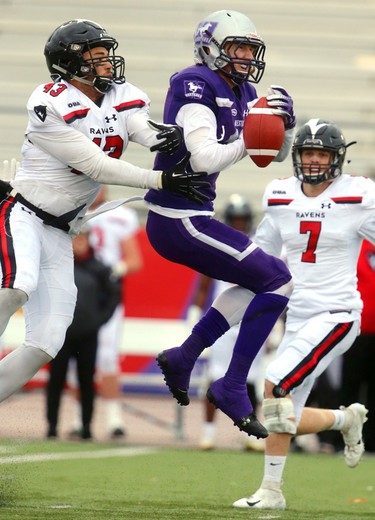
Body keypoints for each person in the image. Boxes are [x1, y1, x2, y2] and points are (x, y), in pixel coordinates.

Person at [0, 19, 208, 411]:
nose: (108, 62)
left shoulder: (122, 95)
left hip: (62, 232)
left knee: (46, 342)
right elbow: (97, 166)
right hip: (24, 214)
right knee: (15, 287)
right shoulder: (48, 101)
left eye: (105, 54)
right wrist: (158, 179)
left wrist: (179, 136)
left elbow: (142, 129)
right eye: (96, 56)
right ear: (69, 64)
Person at [144, 9, 295, 438]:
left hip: (193, 217)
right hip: (176, 219)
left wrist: (282, 130)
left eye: (250, 48)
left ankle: (185, 356)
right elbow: (204, 157)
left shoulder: (243, 89)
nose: (246, 57)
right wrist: (253, 133)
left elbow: (271, 156)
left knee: (262, 283)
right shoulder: (194, 83)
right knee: (278, 280)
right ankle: (230, 386)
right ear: (211, 48)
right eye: (237, 48)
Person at [232, 118, 372, 511]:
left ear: (337, 158)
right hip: (299, 316)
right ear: (296, 155)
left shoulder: (359, 195)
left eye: (321, 153)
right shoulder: (279, 195)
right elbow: (260, 256)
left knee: (274, 382)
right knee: (281, 415)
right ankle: (276, 486)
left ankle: (341, 424)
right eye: (307, 152)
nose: (313, 160)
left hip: (339, 313)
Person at [190, 194, 265, 450]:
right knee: (215, 375)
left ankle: (247, 432)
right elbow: (204, 283)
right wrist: (196, 313)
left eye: (242, 220)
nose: (239, 225)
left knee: (251, 379)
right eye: (235, 219)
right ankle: (208, 432)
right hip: (222, 321)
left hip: (252, 321)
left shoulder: (259, 246)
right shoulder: (216, 244)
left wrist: (274, 321)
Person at [69, 186, 143, 439]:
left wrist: (110, 271)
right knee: (75, 358)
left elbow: (134, 260)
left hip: (102, 296)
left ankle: (113, 420)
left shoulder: (119, 215)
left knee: (108, 358)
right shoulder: (68, 208)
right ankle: (80, 418)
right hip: (74, 292)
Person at [46, 228, 120, 440]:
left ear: (89, 241)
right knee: (56, 380)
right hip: (61, 334)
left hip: (88, 335)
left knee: (86, 380)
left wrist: (99, 320)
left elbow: (114, 296)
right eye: (76, 238)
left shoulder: (100, 269)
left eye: (83, 238)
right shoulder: (58, 267)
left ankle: (87, 427)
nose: (79, 242)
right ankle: (52, 427)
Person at [340, 239, 375, 453]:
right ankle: (343, 440)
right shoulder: (356, 243)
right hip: (357, 327)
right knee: (350, 386)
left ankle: (371, 442)